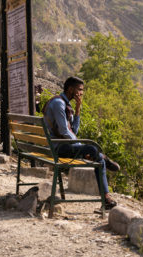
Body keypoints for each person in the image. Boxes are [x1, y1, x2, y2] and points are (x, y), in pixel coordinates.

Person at [43, 76, 119, 210]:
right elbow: (64, 131)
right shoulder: (59, 104)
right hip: (58, 148)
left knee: (96, 156)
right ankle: (106, 195)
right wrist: (80, 147)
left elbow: (74, 131)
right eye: (79, 89)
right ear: (71, 89)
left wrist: (78, 110)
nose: (81, 93)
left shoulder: (66, 105)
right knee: (93, 150)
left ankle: (106, 197)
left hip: (60, 146)